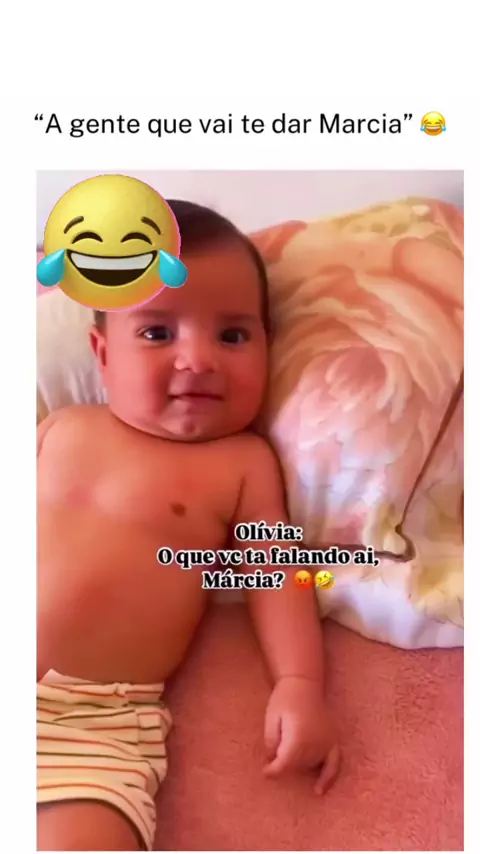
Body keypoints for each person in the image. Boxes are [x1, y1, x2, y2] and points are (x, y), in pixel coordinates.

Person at [37, 200, 340, 851]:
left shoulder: (241, 464)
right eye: (156, 333)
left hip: (91, 724)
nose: (198, 359)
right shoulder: (61, 427)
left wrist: (300, 685)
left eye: (232, 336)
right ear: (102, 354)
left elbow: (275, 574)